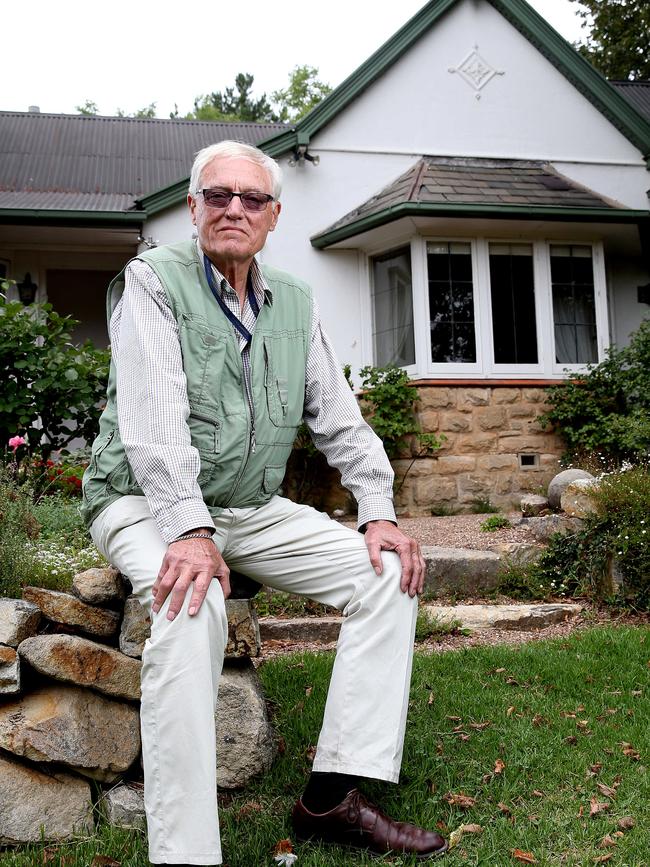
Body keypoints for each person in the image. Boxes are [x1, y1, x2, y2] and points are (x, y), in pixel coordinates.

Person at [82, 140, 448, 866]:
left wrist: (378, 508)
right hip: (143, 501)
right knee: (193, 602)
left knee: (385, 573)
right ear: (192, 208)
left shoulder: (295, 302)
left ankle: (332, 795)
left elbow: (339, 418)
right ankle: (186, 854)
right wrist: (188, 528)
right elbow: (153, 426)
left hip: (247, 506)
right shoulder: (151, 283)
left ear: (273, 216)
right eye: (217, 195)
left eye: (251, 198)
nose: (234, 209)